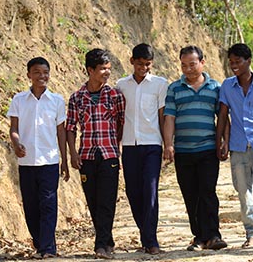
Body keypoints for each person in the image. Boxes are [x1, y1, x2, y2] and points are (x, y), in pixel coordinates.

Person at [163, 45, 227, 251]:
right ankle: (199, 237)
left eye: (192, 64)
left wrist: (224, 141)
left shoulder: (215, 88)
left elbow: (223, 118)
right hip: (183, 151)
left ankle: (214, 236)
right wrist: (169, 144)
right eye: (183, 65)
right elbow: (170, 117)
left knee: (208, 192)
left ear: (202, 62)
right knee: (190, 194)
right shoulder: (174, 88)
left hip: (208, 149)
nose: (188, 69)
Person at [7, 56, 69, 259]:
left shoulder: (57, 101)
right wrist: (16, 144)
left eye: (45, 73)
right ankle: (39, 244)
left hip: (49, 161)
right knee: (31, 205)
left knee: (48, 203)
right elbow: (14, 128)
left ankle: (48, 248)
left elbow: (61, 132)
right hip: (26, 162)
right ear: (29, 75)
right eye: (37, 72)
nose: (41, 76)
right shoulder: (19, 100)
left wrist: (64, 160)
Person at [66, 49, 125, 259]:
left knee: (107, 200)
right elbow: (71, 128)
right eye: (102, 69)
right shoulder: (77, 98)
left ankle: (100, 245)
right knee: (92, 200)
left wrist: (113, 144)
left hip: (109, 155)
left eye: (108, 69)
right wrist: (73, 153)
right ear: (90, 70)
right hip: (87, 156)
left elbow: (120, 123)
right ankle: (106, 241)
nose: (106, 73)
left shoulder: (115, 95)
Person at [216, 43, 253, 249]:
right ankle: (251, 233)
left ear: (249, 61)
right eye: (231, 62)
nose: (234, 66)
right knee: (243, 193)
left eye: (238, 61)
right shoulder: (227, 86)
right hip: (237, 147)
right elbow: (223, 115)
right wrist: (220, 141)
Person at [116, 43, 168, 255]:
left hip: (152, 144)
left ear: (151, 64)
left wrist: (167, 144)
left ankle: (151, 240)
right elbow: (118, 118)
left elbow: (163, 116)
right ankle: (145, 233)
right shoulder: (121, 85)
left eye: (147, 64)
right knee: (133, 191)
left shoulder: (160, 84)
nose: (143, 68)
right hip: (129, 145)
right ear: (132, 62)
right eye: (139, 64)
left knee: (150, 190)